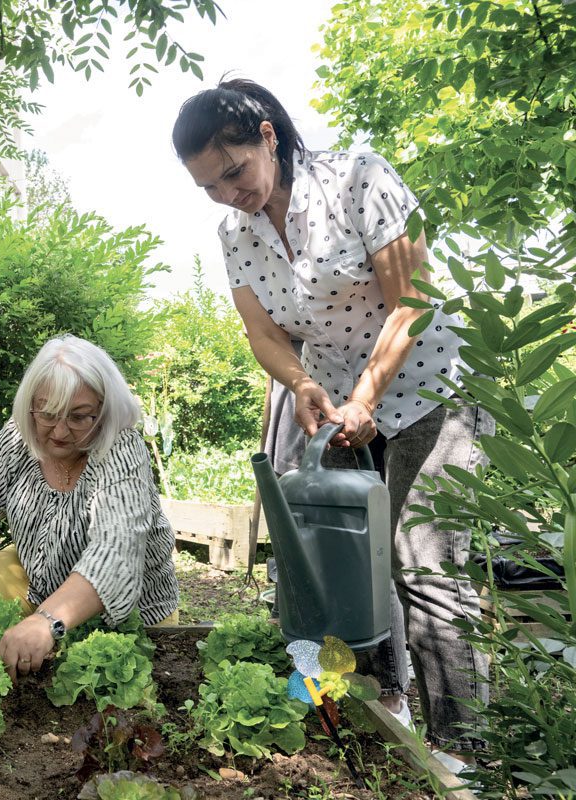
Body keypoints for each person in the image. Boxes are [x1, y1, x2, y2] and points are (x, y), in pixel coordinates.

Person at [171, 79, 492, 766]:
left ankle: (465, 753)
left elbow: (413, 299)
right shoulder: (235, 234)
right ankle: (380, 702)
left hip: (431, 386)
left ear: (267, 136)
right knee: (350, 555)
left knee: (423, 561)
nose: (230, 193)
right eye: (210, 187)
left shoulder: (358, 179)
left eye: (235, 172)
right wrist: (303, 384)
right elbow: (263, 333)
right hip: (341, 400)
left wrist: (366, 397)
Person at [0, 335, 180, 682]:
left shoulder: (120, 449)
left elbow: (115, 555)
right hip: (42, 590)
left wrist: (45, 621)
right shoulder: (24, 433)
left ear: (104, 410)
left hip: (130, 617)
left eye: (79, 417)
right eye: (48, 414)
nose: (60, 432)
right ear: (32, 405)